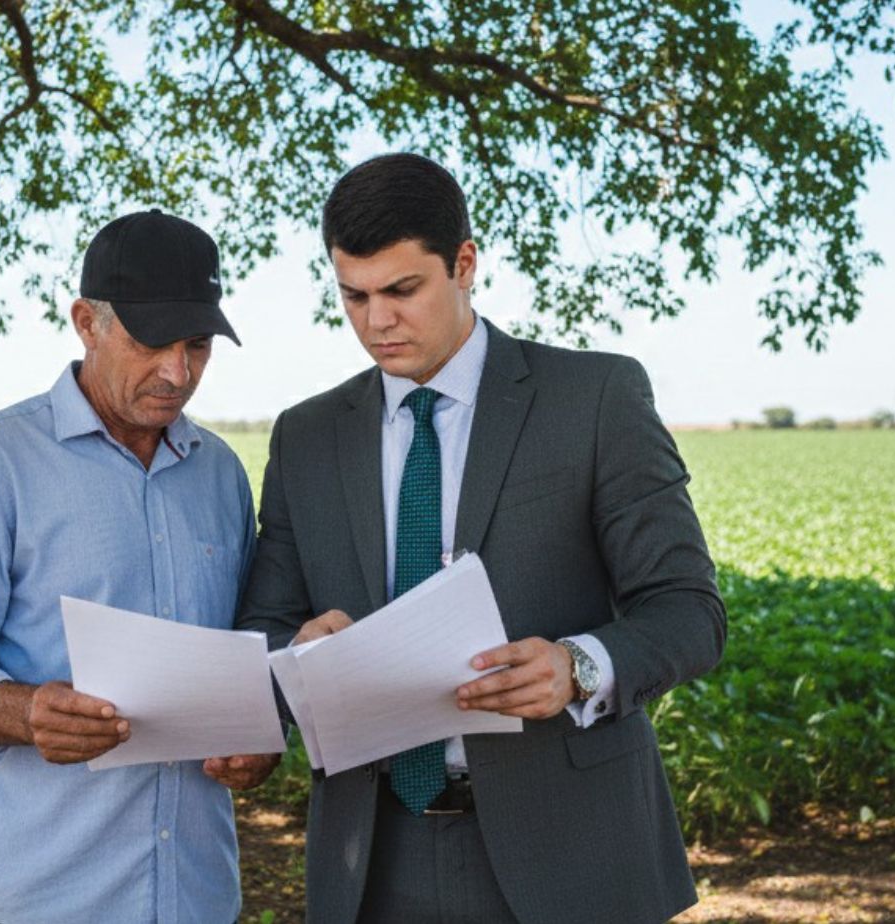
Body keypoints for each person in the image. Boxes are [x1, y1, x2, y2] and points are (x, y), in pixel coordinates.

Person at [226, 154, 727, 923]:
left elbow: (689, 611)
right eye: (352, 296)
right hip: (369, 862)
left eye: (401, 290)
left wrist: (578, 666)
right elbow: (265, 624)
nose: (376, 321)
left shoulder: (595, 398)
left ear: (464, 264)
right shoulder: (307, 435)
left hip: (576, 855)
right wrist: (297, 653)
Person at [0, 209, 262, 924]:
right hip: (38, 899)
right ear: (86, 322)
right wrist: (25, 711)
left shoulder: (221, 473)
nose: (177, 372)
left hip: (196, 897)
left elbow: (242, 651)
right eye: (152, 341)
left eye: (198, 345)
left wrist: (254, 738)